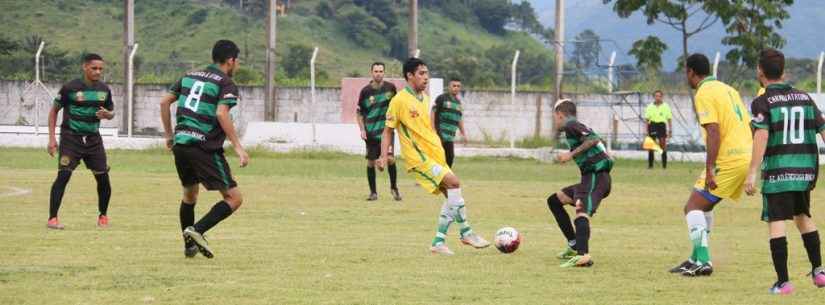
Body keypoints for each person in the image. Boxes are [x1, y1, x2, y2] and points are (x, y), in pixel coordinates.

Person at [376, 57, 490, 255]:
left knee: (452, 196)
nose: (426, 77)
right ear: (409, 76)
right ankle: (466, 233)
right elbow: (388, 130)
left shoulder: (425, 98)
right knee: (454, 183)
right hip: (418, 158)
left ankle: (439, 241)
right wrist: (384, 155)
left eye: (427, 73)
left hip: (434, 154)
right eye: (421, 73)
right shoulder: (399, 100)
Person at [744, 48, 825, 294]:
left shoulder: (762, 101)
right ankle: (819, 271)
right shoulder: (805, 97)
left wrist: (752, 172)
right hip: (804, 172)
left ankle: (783, 282)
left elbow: (762, 134)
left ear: (760, 71)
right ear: (784, 71)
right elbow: (822, 129)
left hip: (779, 173)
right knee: (803, 217)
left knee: (777, 222)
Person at [159, 40, 249, 258]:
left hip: (181, 143)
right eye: (236, 62)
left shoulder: (189, 76)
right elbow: (221, 113)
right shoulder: (226, 83)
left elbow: (164, 102)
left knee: (190, 194)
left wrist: (170, 135)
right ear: (231, 60)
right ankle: (197, 231)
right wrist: (238, 146)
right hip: (203, 145)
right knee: (234, 198)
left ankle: (189, 247)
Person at [668, 53, 752, 277]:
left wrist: (710, 168)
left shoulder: (704, 92)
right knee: (704, 206)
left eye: (686, 72)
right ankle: (695, 257)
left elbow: (714, 130)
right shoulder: (728, 89)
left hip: (729, 159)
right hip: (744, 155)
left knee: (692, 207)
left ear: (691, 72)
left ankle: (703, 260)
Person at [46, 53, 115, 230]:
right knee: (63, 176)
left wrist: (108, 115)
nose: (98, 71)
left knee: (103, 179)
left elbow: (111, 112)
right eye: (94, 68)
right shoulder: (70, 88)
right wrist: (52, 139)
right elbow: (54, 111)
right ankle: (52, 219)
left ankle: (103, 216)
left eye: (100, 68)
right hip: (71, 138)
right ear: (85, 67)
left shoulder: (104, 90)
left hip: (94, 139)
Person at [547, 99, 613, 268]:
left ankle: (583, 255)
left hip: (596, 177)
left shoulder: (571, 125)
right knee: (555, 200)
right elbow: (595, 142)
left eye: (555, 117)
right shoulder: (573, 128)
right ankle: (574, 244)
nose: (555, 121)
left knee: (581, 211)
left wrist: (570, 155)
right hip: (590, 178)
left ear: (560, 115)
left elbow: (593, 139)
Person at [356, 62, 401, 201]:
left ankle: (394, 189)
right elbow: (359, 113)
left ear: (384, 72)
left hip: (386, 131)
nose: (378, 73)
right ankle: (373, 192)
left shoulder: (391, 88)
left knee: (390, 159)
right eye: (376, 71)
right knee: (371, 162)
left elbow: (398, 106)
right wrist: (362, 129)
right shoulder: (365, 92)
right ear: (371, 73)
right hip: (371, 132)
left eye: (381, 71)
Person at [431, 78, 467, 168]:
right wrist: (433, 129)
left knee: (450, 157)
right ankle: (428, 178)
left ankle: (445, 179)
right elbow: (433, 112)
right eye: (454, 86)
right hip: (440, 133)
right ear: (449, 87)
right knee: (438, 157)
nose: (456, 88)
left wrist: (463, 133)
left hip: (450, 136)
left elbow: (459, 119)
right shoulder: (442, 98)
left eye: (458, 86)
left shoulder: (458, 103)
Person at [643, 90, 672, 169]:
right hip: (652, 125)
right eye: (656, 96)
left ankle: (664, 166)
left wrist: (670, 130)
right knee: (651, 146)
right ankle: (650, 165)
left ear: (662, 97)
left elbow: (669, 119)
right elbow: (646, 119)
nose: (657, 98)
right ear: (654, 97)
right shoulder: (650, 106)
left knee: (663, 145)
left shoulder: (666, 106)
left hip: (661, 125)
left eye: (659, 96)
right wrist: (646, 131)